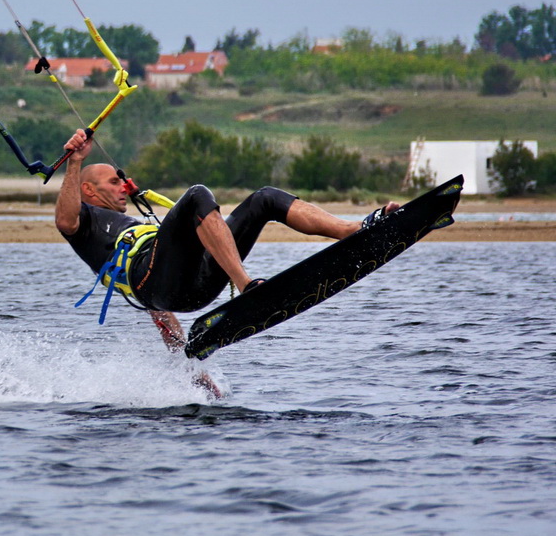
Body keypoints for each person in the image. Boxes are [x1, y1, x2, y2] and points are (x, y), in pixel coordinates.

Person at [55, 128, 399, 369]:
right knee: (196, 195)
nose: (124, 188)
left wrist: (187, 366)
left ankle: (353, 230)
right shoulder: (85, 222)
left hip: (187, 286)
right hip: (155, 283)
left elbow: (158, 309)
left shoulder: (135, 225)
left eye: (121, 181)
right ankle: (247, 286)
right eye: (114, 182)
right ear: (88, 190)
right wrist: (74, 162)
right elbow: (64, 221)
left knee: (264, 199)